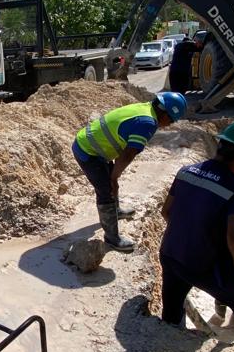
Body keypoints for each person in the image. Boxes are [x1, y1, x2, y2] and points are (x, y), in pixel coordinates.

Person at [158, 120, 234, 346]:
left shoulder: (186, 171)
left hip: (171, 254)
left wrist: (190, 232)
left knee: (172, 307)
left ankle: (169, 338)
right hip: (204, 266)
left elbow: (166, 211)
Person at [73, 92, 187, 252]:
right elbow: (127, 155)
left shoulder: (146, 108)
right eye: (172, 120)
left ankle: (116, 210)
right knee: (106, 191)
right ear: (165, 113)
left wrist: (114, 176)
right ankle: (112, 238)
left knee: (112, 182)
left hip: (95, 145)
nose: (169, 125)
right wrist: (113, 177)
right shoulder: (147, 123)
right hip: (88, 151)